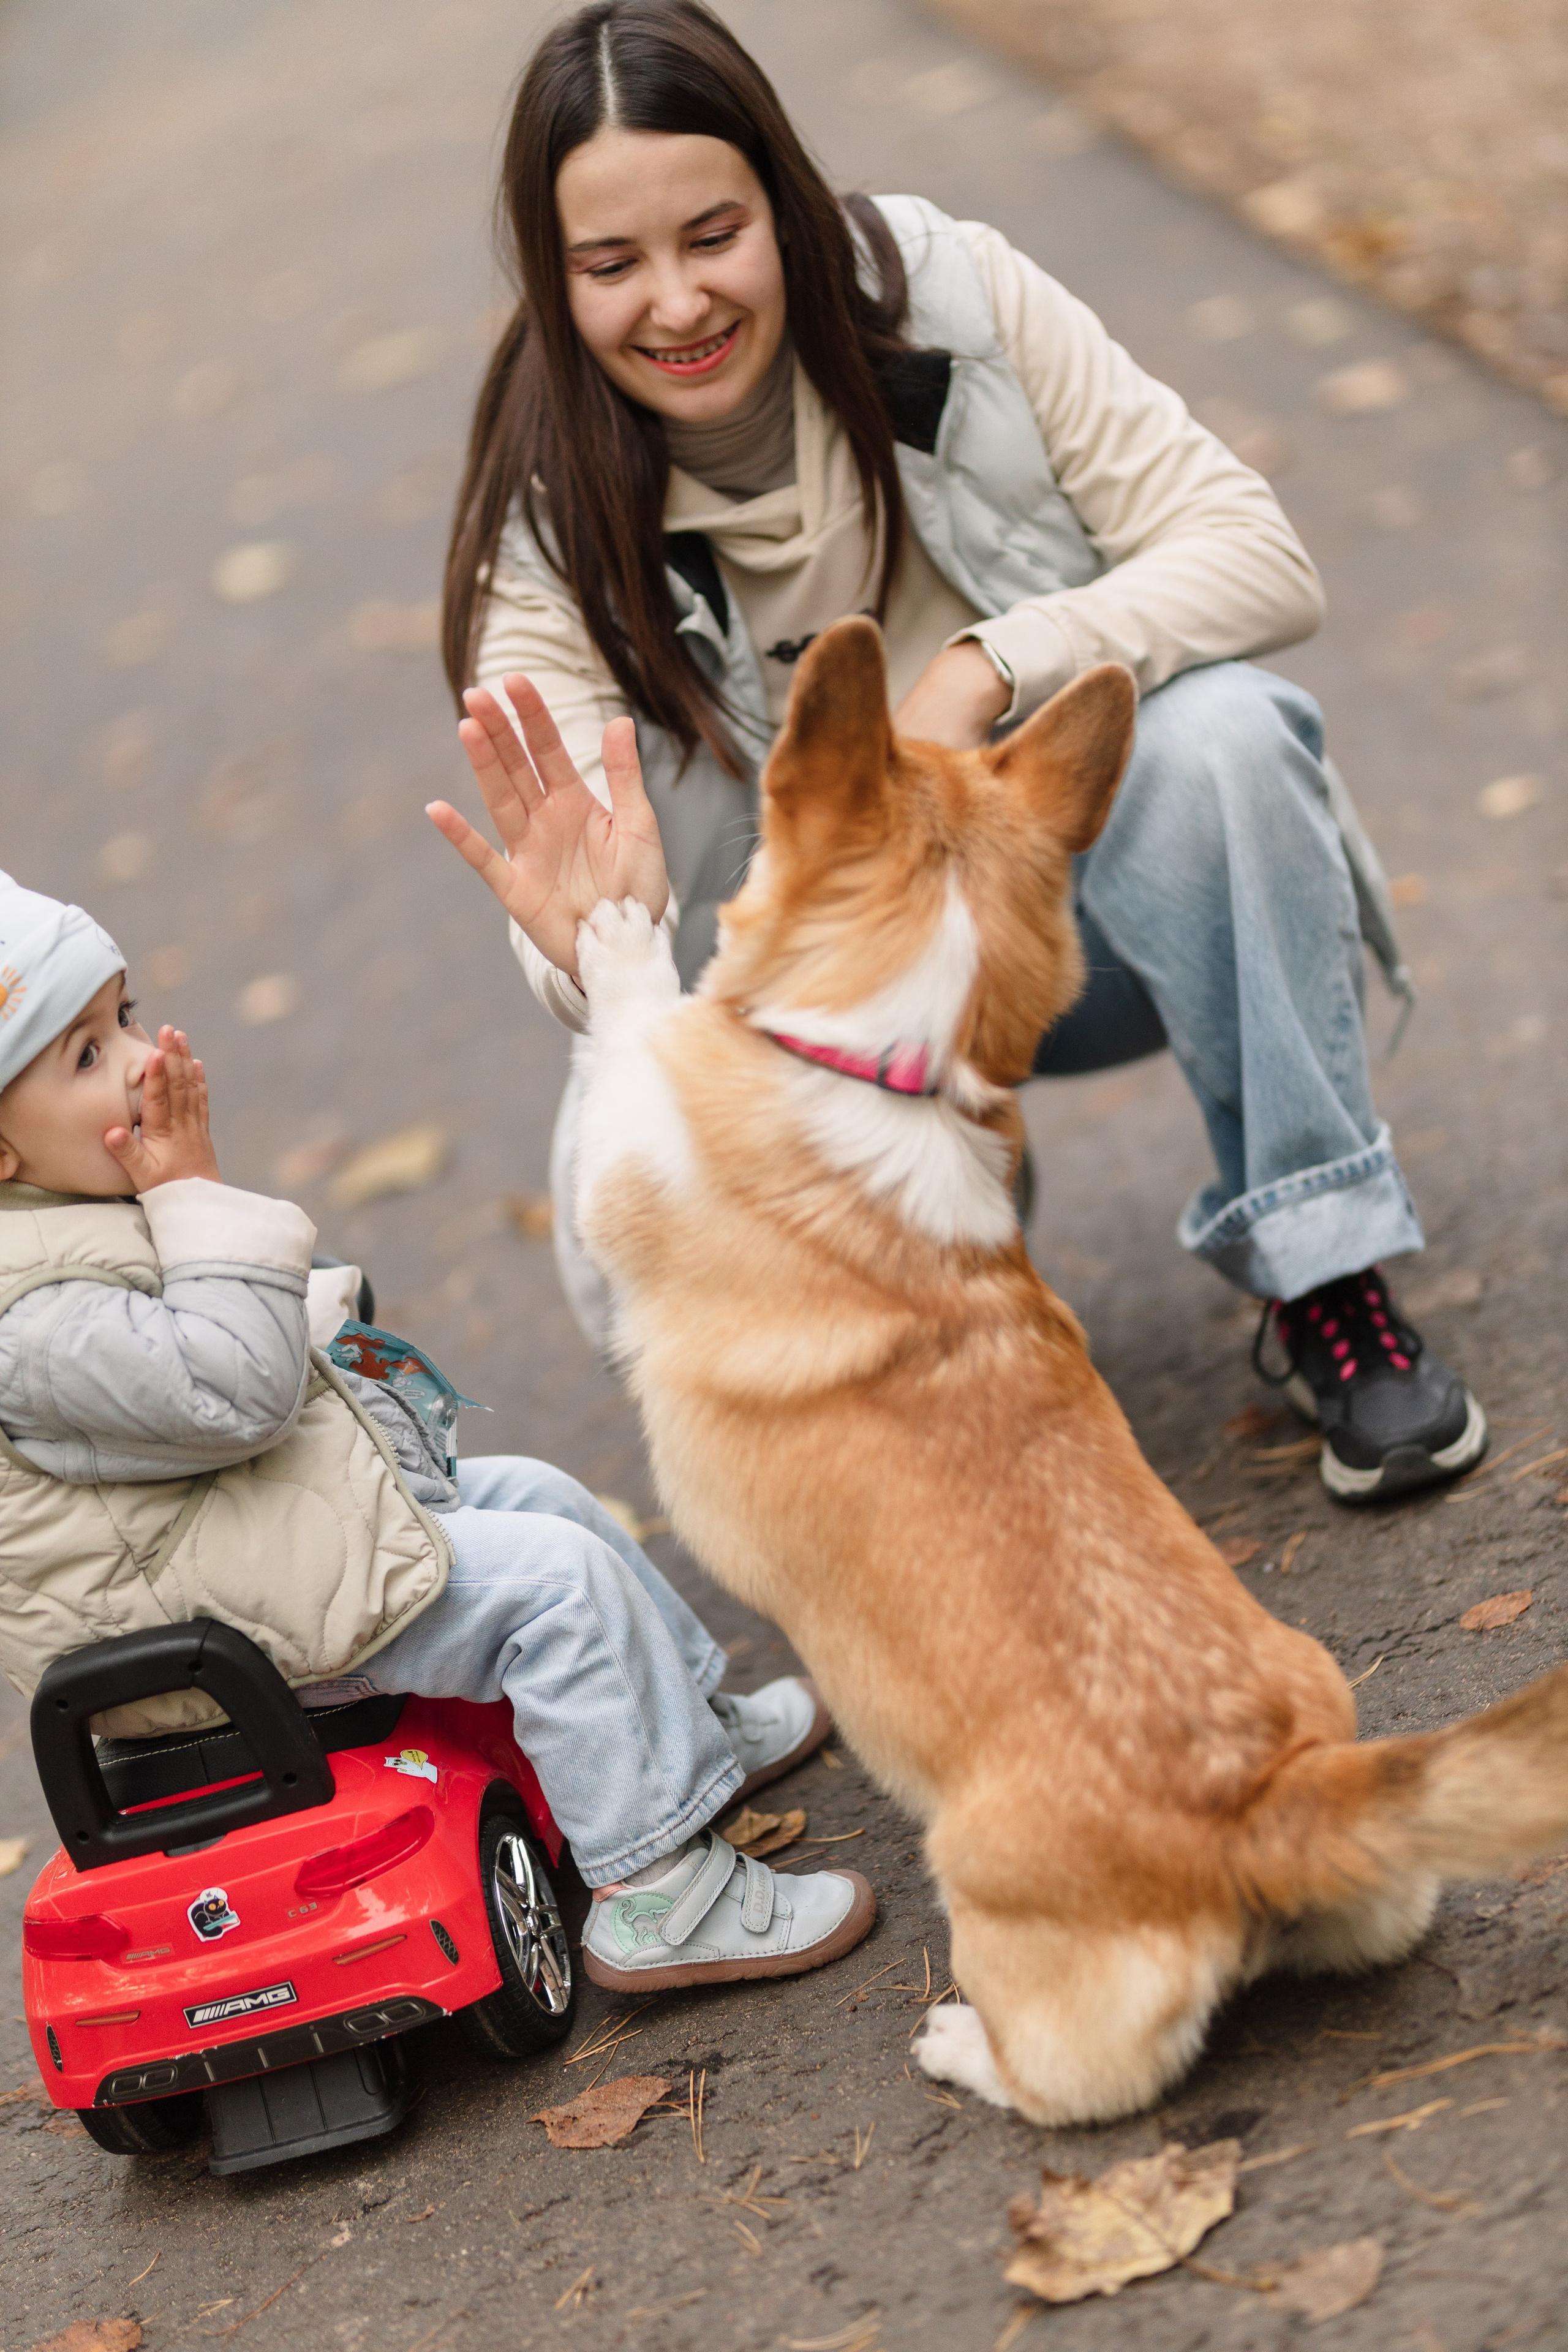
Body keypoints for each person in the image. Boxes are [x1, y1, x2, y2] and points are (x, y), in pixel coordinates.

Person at [431, 0, 1487, 1506]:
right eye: (609, 265)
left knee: (1226, 736)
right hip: (824, 1021)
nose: (674, 302)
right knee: (632, 1117)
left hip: (1079, 931)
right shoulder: (545, 517)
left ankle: (1322, 1268)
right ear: (557, 279)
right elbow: (574, 895)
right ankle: (917, 1266)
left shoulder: (950, 296)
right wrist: (585, 943)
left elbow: (1255, 556)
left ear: (782, 206)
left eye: (712, 234)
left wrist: (990, 668)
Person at [0, 870, 873, 1991]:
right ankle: (662, 1887)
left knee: (545, 1500)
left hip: (250, 1551)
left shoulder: (69, 1219)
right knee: (555, 1589)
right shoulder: (29, 1325)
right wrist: (198, 1199)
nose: (137, 1058)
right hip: (211, 1629)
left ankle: (685, 1744)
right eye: (84, 1055)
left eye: (122, 1016)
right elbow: (230, 1393)